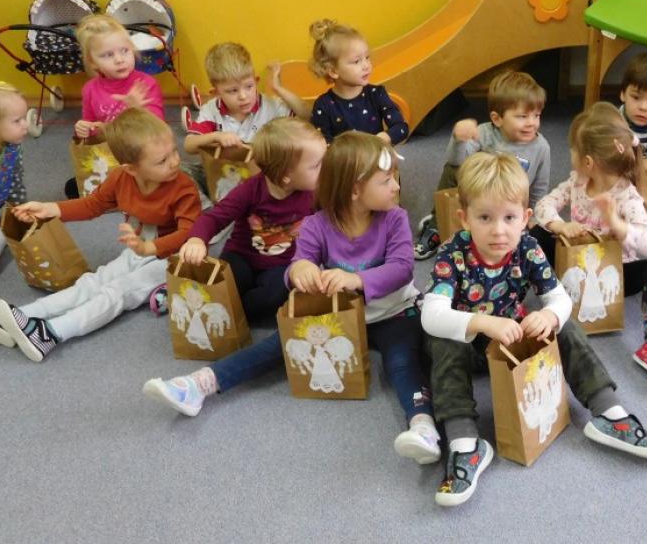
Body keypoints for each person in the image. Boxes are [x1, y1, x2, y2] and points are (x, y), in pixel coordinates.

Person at [144, 132, 441, 465]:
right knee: (276, 345)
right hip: (335, 312)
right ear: (354, 190)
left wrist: (356, 279)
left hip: (393, 313)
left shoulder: (395, 218)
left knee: (403, 362)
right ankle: (199, 385)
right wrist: (300, 270)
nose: (396, 187)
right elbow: (298, 263)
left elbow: (401, 269)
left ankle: (423, 426)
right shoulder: (317, 224)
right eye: (386, 181)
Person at [422, 152, 647, 508]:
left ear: (525, 219)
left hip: (512, 342)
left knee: (564, 326)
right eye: (485, 218)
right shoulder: (453, 253)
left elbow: (559, 299)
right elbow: (432, 315)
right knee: (443, 342)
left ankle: (609, 413)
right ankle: (465, 445)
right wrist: (483, 322)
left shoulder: (527, 247)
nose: (498, 230)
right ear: (465, 218)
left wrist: (550, 316)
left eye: (509, 218)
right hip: (468, 344)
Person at [0, 109, 200, 361]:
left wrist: (148, 249)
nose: (174, 162)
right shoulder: (121, 177)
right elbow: (93, 204)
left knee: (118, 291)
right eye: (162, 160)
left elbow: (189, 233)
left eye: (174, 151)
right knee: (93, 282)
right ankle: (24, 314)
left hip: (177, 260)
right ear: (131, 169)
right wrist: (49, 208)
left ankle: (51, 333)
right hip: (140, 249)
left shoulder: (184, 187)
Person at [531, 102, 647, 390]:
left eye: (573, 150)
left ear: (588, 161)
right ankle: (539, 300)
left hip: (615, 274)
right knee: (536, 235)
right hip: (572, 268)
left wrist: (619, 226)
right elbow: (543, 206)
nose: (570, 155)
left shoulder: (627, 197)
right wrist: (561, 226)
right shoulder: (577, 181)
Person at [177, 117, 325, 322]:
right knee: (223, 282)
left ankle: (235, 312)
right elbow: (215, 217)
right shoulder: (249, 190)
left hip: (283, 264)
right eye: (317, 165)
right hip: (242, 256)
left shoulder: (316, 193)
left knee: (274, 297)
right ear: (286, 176)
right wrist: (196, 240)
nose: (325, 169)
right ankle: (226, 305)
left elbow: (336, 221)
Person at [414, 71, 550, 260]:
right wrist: (458, 139)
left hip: (510, 206)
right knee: (452, 170)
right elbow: (455, 162)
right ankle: (437, 224)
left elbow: (539, 188)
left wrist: (532, 219)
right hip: (479, 197)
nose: (531, 123)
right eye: (522, 116)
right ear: (497, 119)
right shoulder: (484, 133)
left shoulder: (541, 147)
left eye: (536, 115)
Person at [183, 42, 310, 203]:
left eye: (249, 86)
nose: (243, 96)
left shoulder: (271, 105)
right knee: (181, 171)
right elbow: (188, 145)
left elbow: (306, 116)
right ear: (216, 93)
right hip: (224, 180)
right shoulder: (211, 110)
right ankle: (213, 211)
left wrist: (279, 89)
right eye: (233, 91)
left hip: (263, 182)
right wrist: (216, 136)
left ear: (256, 81)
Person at [64, 14, 165, 198]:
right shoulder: (90, 89)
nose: (119, 59)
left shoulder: (146, 84)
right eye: (108, 55)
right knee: (72, 188)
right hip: (110, 157)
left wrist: (137, 111)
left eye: (125, 51)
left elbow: (160, 132)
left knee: (160, 181)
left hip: (140, 157)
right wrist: (83, 129)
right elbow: (92, 131)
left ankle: (125, 194)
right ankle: (120, 194)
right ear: (93, 61)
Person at [308, 19, 409, 144]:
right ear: (333, 71)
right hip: (345, 157)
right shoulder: (324, 105)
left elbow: (401, 128)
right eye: (356, 61)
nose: (366, 65)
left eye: (367, 57)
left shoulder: (377, 93)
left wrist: (385, 137)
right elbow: (322, 145)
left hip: (376, 154)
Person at [0, 78, 28, 285]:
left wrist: (20, 212)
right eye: (17, 121)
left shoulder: (12, 148)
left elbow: (16, 182)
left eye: (24, 118)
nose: (26, 125)